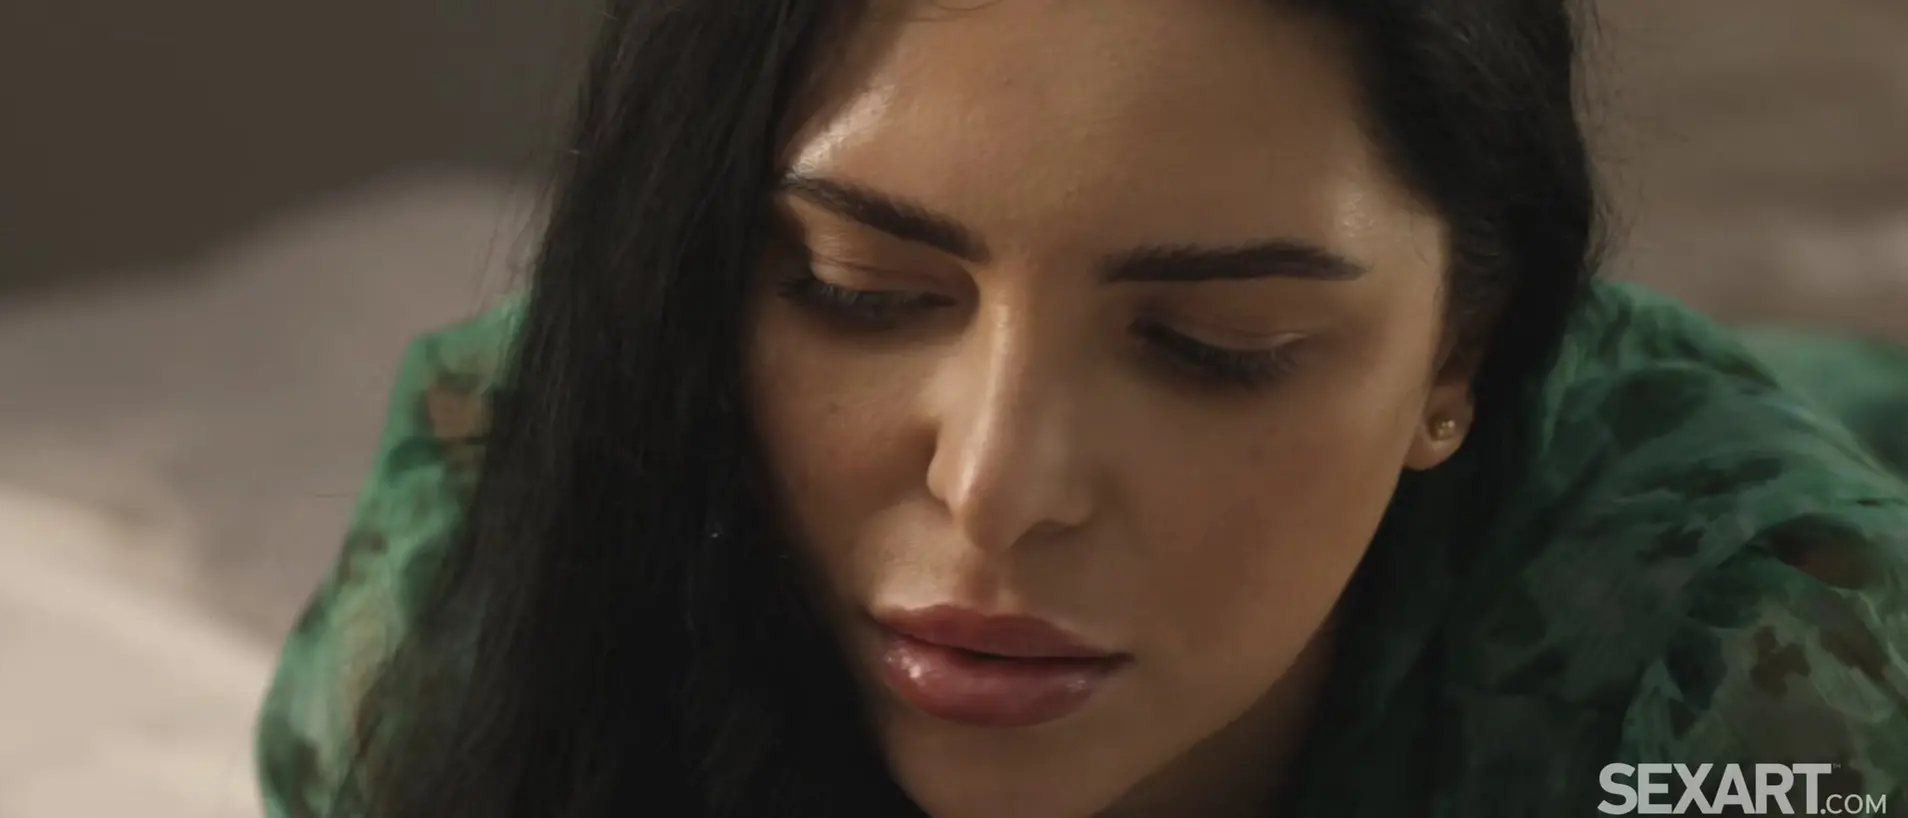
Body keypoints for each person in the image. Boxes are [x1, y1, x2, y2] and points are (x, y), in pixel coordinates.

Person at [254, 1, 1908, 816]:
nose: (994, 486)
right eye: (856, 288)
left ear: (1458, 354)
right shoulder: (499, 538)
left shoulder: (1764, 659)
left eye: (1215, 343)